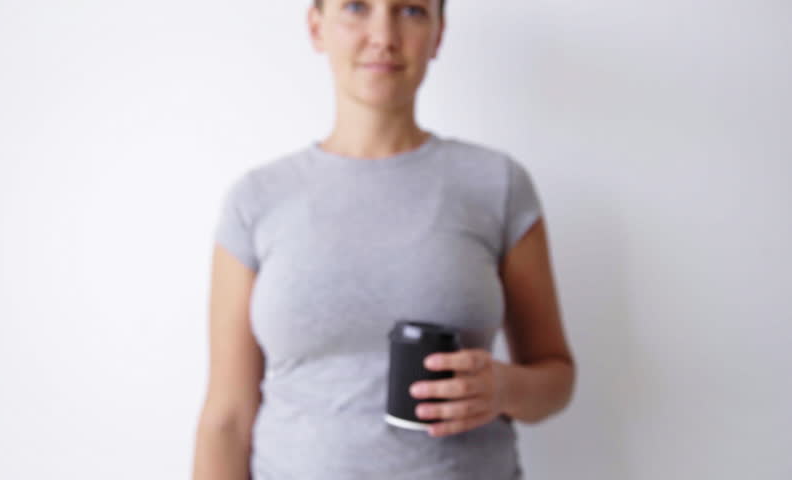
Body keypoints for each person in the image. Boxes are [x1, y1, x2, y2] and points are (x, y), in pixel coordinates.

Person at [192, 1, 576, 479]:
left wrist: (504, 389)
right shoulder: (256, 200)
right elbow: (227, 419)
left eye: (411, 11)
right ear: (317, 27)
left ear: (438, 34)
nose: (384, 35)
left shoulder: (496, 185)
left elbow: (555, 375)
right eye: (356, 7)